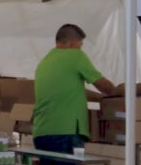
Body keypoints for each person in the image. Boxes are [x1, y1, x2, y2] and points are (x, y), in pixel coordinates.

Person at [33, 24, 117, 154]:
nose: (80, 48)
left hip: (42, 133)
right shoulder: (75, 56)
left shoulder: (44, 62)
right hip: (66, 133)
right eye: (81, 44)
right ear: (72, 44)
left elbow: (66, 91)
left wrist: (98, 97)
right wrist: (120, 95)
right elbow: (103, 85)